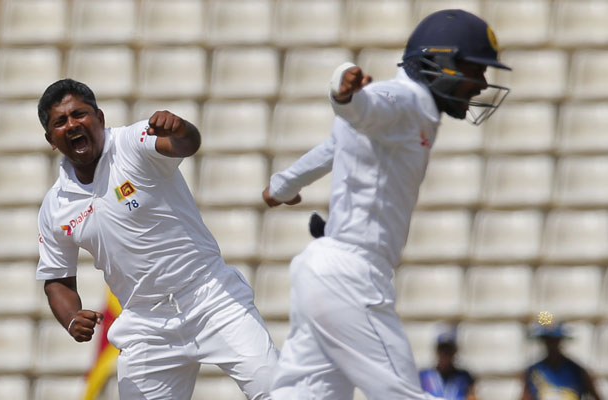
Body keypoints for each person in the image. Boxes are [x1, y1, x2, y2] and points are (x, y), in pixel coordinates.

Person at [262, 9, 511, 400]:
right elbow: (365, 108)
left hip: (320, 270)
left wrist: (282, 186)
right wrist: (344, 92)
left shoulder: (416, 112)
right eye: (475, 71)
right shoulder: (403, 101)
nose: (481, 85)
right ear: (440, 62)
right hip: (352, 276)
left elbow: (334, 146)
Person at [35, 78, 278, 400]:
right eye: (60, 122)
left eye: (79, 114)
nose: (72, 125)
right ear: (51, 139)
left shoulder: (132, 142)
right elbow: (57, 279)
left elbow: (185, 145)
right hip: (145, 323)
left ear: (100, 118)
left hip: (211, 298)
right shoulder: (56, 206)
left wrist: (180, 129)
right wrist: (70, 319)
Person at [521, 321, 602, 400]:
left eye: (554, 340)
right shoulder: (534, 371)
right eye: (548, 340)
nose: (551, 344)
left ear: (560, 341)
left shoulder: (577, 371)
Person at [419, 330, 476, 400]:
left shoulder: (464, 377)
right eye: (442, 351)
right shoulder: (424, 376)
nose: (445, 355)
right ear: (437, 352)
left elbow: (472, 396)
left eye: (448, 351)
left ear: (454, 353)